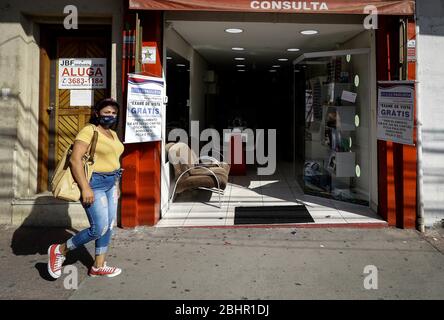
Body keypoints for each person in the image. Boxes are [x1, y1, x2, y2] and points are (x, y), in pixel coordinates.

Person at [47, 98, 125, 278]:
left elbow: (114, 160)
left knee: (108, 226)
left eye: (113, 113)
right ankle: (60, 250)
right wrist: (85, 188)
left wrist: (116, 184)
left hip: (111, 182)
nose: (110, 116)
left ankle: (98, 266)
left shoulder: (112, 134)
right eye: (106, 112)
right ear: (97, 113)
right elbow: (75, 160)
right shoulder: (89, 131)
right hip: (94, 183)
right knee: (98, 228)